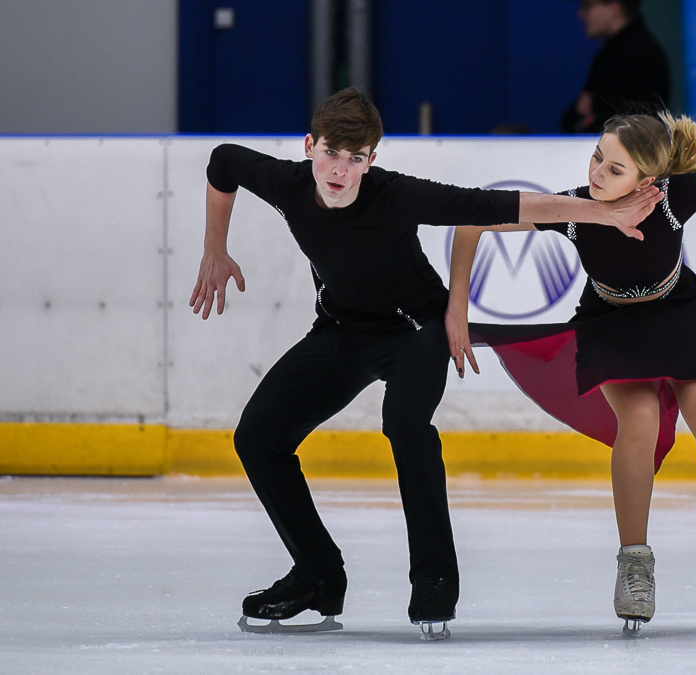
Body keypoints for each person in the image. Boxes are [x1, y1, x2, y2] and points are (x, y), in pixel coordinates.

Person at [189, 88, 662, 639]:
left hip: (418, 326)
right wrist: (214, 247)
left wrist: (603, 214)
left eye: (356, 158)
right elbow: (223, 161)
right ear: (309, 147)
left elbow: (498, 207)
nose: (340, 170)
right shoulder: (286, 183)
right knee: (258, 436)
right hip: (343, 328)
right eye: (331, 154)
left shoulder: (394, 196)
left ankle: (435, 580)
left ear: (373, 159)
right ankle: (317, 573)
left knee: (406, 424)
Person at [447, 112, 696, 634]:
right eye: (596, 158)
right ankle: (634, 562)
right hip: (609, 320)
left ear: (646, 182)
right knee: (639, 423)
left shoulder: (676, 200)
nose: (598, 174)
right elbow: (472, 221)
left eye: (615, 169)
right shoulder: (574, 209)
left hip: (676, 310)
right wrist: (456, 308)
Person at [561, 0, 671, 134]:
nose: (581, 14)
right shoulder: (609, 55)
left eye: (588, 6)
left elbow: (614, 128)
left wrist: (586, 121)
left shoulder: (639, 56)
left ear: (614, 7)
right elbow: (571, 120)